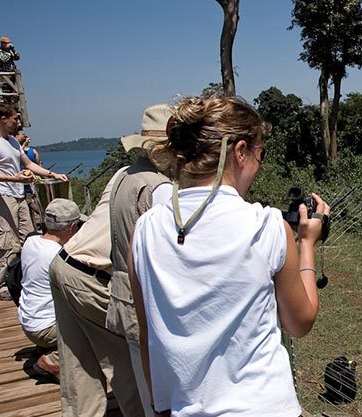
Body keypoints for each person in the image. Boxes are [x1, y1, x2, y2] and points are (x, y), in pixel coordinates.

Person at [129, 95, 331, 416]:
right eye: (259, 153)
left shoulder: (146, 229)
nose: (259, 165)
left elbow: (146, 334)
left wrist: (160, 407)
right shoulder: (265, 226)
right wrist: (306, 244)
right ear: (240, 152)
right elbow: (300, 322)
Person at [48, 166, 145, 417]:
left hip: (65, 262)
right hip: (93, 276)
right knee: (131, 364)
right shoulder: (158, 185)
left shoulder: (126, 172)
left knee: (79, 369)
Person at [105, 103, 172, 417]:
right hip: (146, 301)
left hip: (122, 291)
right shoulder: (157, 188)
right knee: (159, 396)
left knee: (145, 392)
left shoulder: (124, 176)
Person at [0, 103, 67, 301]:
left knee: (29, 237)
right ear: (3, 119)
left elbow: (29, 164)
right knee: (8, 242)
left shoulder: (13, 143)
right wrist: (15, 179)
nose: (19, 122)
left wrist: (53, 174)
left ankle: (22, 276)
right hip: (1, 196)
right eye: (15, 118)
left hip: (19, 195)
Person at [18, 198, 86, 380]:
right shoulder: (57, 256)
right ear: (71, 228)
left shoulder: (30, 242)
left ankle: (46, 346)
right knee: (93, 329)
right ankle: (52, 360)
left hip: (28, 321)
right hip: (45, 328)